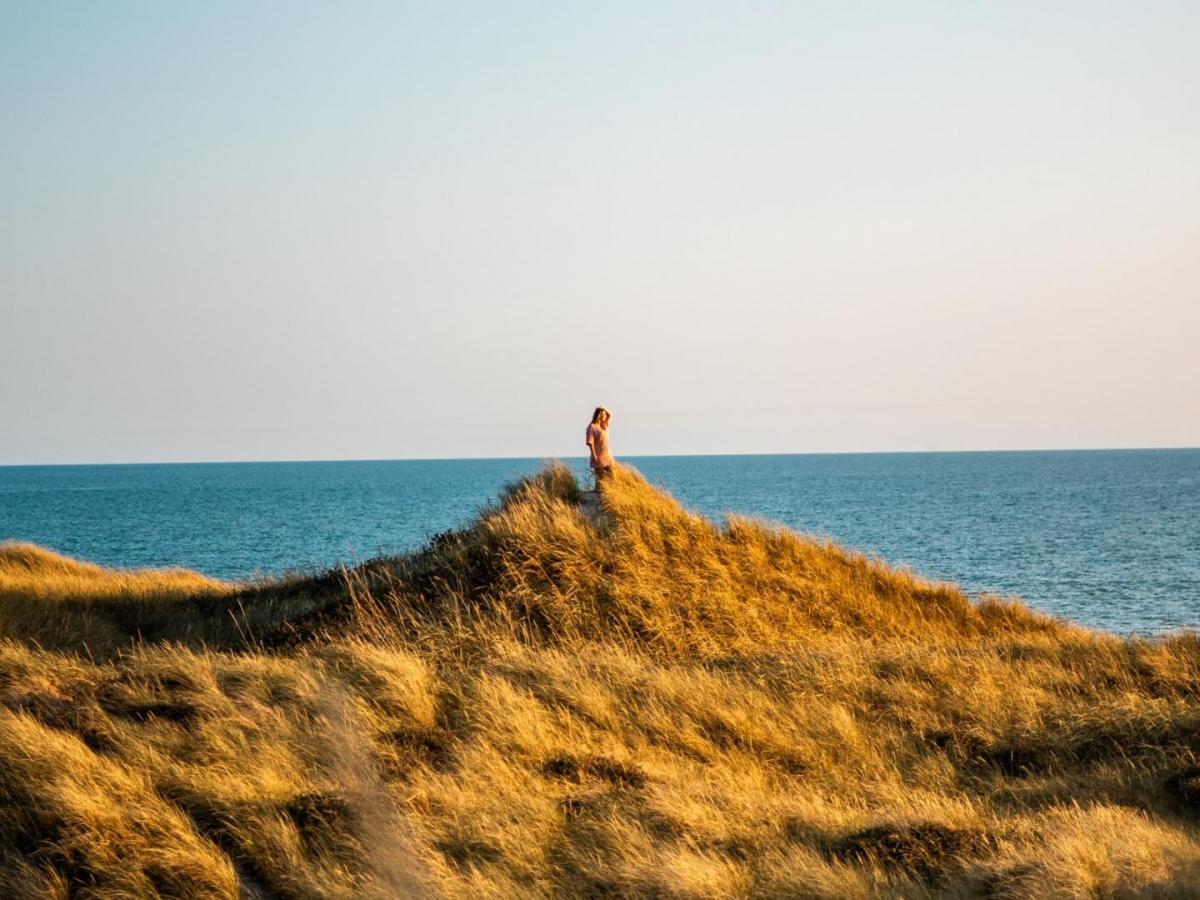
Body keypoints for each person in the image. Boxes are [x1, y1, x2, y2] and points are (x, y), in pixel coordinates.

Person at [585, 407, 614, 486]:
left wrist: (603, 408)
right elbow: (590, 442)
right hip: (599, 457)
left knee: (611, 478)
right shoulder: (592, 427)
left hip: (608, 456)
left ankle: (608, 495)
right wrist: (594, 455)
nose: (605, 416)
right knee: (600, 479)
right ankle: (599, 495)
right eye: (604, 415)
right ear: (600, 415)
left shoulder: (604, 425)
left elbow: (610, 415)